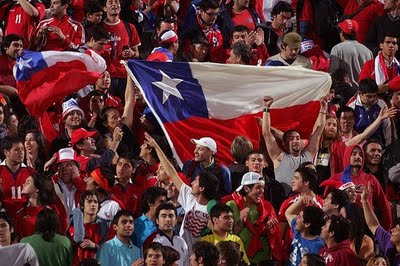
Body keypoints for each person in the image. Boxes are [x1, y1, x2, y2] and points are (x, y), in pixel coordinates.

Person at [145, 132, 220, 253]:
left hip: (202, 257)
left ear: (202, 188)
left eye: (195, 181)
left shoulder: (213, 208)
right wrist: (156, 147)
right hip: (184, 255)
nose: (191, 183)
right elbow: (171, 171)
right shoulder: (189, 196)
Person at [262, 96, 325, 195]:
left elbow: (318, 131)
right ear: (284, 144)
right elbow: (266, 133)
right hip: (284, 201)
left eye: (298, 138)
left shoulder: (308, 155)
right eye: (291, 139)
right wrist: (266, 108)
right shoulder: (279, 157)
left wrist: (323, 109)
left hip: (306, 200)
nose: (296, 141)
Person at [226, 172, 281, 264]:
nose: (262, 191)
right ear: (246, 188)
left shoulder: (267, 206)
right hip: (241, 257)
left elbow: (274, 236)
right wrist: (240, 221)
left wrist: (268, 229)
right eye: (258, 187)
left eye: (263, 188)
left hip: (263, 258)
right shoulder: (232, 205)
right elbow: (228, 236)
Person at [278, 165, 323, 264]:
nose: (292, 180)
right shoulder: (288, 203)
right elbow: (280, 231)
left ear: (306, 182)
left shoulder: (320, 205)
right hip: (289, 253)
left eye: (296, 178)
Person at [361, 182, 400, 265]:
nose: (392, 230)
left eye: (397, 230)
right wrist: (365, 201)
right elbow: (373, 225)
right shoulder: (389, 242)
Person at [347, 78, 393, 147]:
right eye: (369, 96)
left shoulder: (381, 104)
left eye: (374, 96)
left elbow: (387, 126)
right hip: (359, 147)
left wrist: (387, 145)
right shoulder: (351, 106)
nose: (372, 99)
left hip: (379, 146)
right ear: (360, 93)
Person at [330, 19, 373, 88]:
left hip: (344, 92)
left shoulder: (337, 49)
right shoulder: (368, 51)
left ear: (341, 32)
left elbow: (333, 74)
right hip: (363, 93)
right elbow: (371, 75)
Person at [144, 202, 189, 266]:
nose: (168, 219)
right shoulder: (152, 240)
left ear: (176, 220)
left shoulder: (181, 241)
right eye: (164, 216)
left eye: (171, 216)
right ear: (157, 220)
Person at [285, 195, 325, 266]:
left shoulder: (318, 246)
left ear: (307, 224)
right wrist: (301, 200)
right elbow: (288, 213)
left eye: (299, 216)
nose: (296, 217)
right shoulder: (297, 230)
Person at [0, 136, 34, 218]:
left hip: (26, 218)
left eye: (22, 149)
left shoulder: (31, 172)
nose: (21, 152)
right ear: (6, 152)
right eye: (16, 150)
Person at [67, 190, 101, 265]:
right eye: (89, 201)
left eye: (95, 202)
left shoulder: (103, 226)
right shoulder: (73, 226)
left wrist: (95, 246)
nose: (93, 204)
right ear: (82, 206)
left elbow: (110, 248)